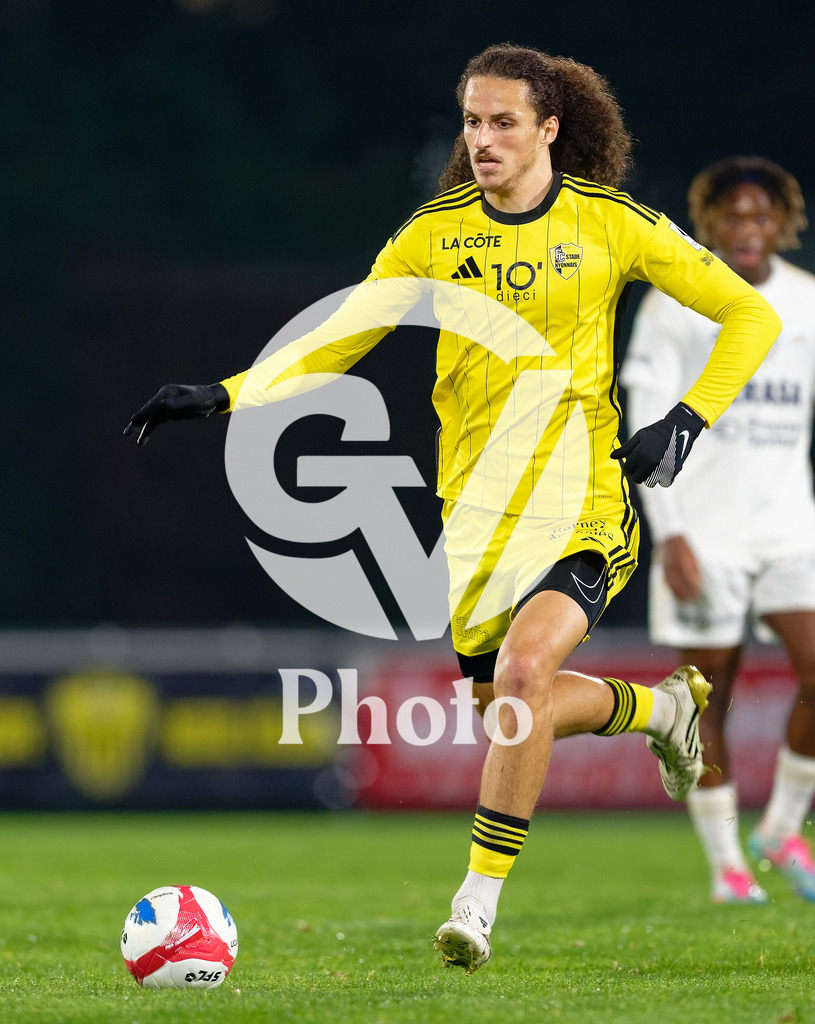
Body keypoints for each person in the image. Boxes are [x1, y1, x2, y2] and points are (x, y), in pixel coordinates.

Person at [125, 46, 781, 970]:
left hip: (583, 502)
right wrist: (227, 394)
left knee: (523, 674)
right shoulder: (433, 235)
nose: (482, 139)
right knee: (507, 707)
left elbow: (752, 315)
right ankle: (657, 711)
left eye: (503, 122)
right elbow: (340, 338)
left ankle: (475, 905)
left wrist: (684, 420)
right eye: (473, 121)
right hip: (475, 517)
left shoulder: (610, 223)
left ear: (548, 128)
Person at [621, 155, 815, 905]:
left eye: (760, 214)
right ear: (708, 224)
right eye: (730, 215)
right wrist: (668, 531)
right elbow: (645, 416)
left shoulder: (805, 300)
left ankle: (782, 828)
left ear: (783, 223)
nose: (746, 226)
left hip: (789, 525)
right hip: (703, 531)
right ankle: (726, 864)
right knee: (708, 696)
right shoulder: (676, 302)